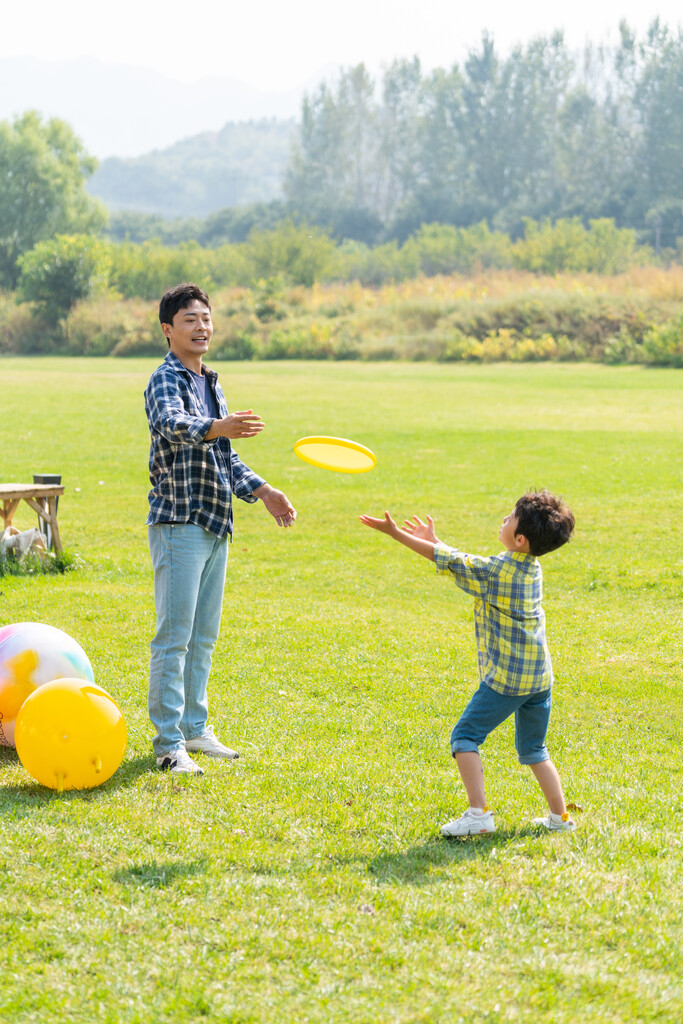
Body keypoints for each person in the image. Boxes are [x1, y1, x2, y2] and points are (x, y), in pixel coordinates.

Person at [360, 489, 576, 836]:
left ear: (520, 539)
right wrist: (438, 542)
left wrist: (396, 533)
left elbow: (457, 563)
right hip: (539, 678)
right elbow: (464, 562)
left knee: (465, 737)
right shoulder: (529, 567)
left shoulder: (499, 570)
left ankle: (478, 815)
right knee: (535, 749)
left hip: (508, 680)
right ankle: (560, 819)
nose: (503, 520)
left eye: (510, 518)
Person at [144, 282, 296, 775]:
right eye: (190, 319)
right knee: (175, 636)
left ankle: (193, 728)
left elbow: (224, 455)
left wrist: (264, 490)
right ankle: (168, 745)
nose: (201, 326)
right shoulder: (164, 378)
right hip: (179, 521)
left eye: (206, 318)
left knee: (203, 636)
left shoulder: (211, 382)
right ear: (169, 330)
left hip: (215, 521)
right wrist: (217, 427)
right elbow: (172, 423)